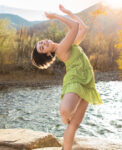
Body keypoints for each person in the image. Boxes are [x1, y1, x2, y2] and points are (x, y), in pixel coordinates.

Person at [31, 4, 102, 150]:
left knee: (74, 125)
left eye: (41, 43)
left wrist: (68, 12)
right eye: (42, 47)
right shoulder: (62, 49)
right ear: (48, 54)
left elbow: (83, 28)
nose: (43, 43)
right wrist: (56, 16)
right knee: (66, 112)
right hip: (75, 80)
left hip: (87, 82)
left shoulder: (69, 44)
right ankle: (64, 116)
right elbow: (74, 27)